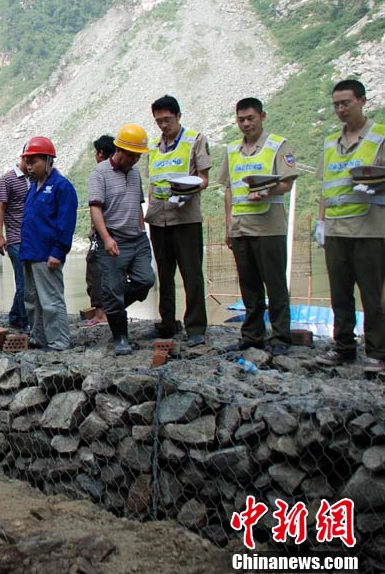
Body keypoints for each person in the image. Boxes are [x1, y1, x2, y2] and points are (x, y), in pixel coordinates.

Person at [314, 80, 385, 373]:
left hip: (369, 228)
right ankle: (343, 347)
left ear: (362, 101)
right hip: (336, 229)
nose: (341, 109)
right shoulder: (331, 142)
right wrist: (321, 222)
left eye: (346, 103)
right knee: (340, 294)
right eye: (336, 105)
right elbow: (326, 187)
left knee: (372, 295)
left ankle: (377, 352)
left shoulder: (380, 137)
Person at [219, 97, 298, 356]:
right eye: (241, 119)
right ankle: (252, 336)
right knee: (249, 285)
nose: (246, 123)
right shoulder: (232, 150)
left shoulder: (277, 145)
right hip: (241, 227)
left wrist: (267, 190)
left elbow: (287, 182)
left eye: (250, 118)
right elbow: (229, 189)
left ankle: (280, 337)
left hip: (269, 228)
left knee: (275, 285)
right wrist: (228, 225)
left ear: (262, 116)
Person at [145, 95, 211, 346]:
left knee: (191, 273)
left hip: (185, 217)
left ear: (178, 116)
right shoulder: (153, 147)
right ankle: (167, 322)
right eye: (159, 121)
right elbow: (152, 182)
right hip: (158, 217)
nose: (163, 125)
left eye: (167, 119)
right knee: (164, 272)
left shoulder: (195, 140)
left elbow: (204, 178)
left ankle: (195, 326)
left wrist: (187, 190)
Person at [89, 126, 156, 355]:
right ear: (119, 150)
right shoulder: (100, 173)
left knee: (145, 280)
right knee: (113, 288)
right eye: (132, 155)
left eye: (138, 156)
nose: (136, 160)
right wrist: (106, 238)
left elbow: (137, 204)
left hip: (137, 238)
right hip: (113, 238)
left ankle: (112, 304)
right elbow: (95, 208)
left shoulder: (134, 173)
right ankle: (120, 338)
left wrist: (142, 231)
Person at [20, 136, 78, 351]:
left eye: (33, 161)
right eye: (27, 162)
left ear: (48, 160)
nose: (29, 166)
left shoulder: (61, 187)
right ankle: (39, 338)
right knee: (31, 300)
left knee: (51, 301)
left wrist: (58, 251)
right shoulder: (33, 188)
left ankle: (59, 341)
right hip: (30, 252)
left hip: (47, 254)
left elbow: (66, 222)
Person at [84, 135, 117, 327]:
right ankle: (112, 310)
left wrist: (95, 229)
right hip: (119, 231)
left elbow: (97, 205)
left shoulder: (99, 173)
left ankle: (100, 313)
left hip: (103, 233)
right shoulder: (122, 172)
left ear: (101, 153)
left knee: (94, 270)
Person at [0, 156, 30, 330]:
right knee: (24, 281)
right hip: (15, 238)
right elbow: (0, 207)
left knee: (28, 280)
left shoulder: (35, 177)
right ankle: (26, 322)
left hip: (32, 238)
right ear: (23, 158)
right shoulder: (7, 179)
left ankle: (15, 317)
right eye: (30, 160)